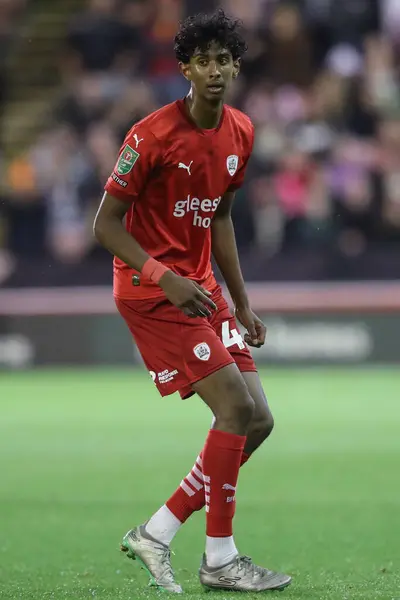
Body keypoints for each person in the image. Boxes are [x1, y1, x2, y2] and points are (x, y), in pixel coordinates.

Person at [93, 9, 291, 594]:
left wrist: (242, 301)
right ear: (185, 67)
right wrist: (163, 276)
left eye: (223, 60)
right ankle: (221, 559)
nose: (213, 70)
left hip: (202, 288)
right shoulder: (150, 135)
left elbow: (221, 216)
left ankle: (156, 531)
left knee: (258, 421)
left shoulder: (242, 132)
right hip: (152, 290)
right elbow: (105, 225)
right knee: (234, 410)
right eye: (201, 61)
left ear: (235, 66)